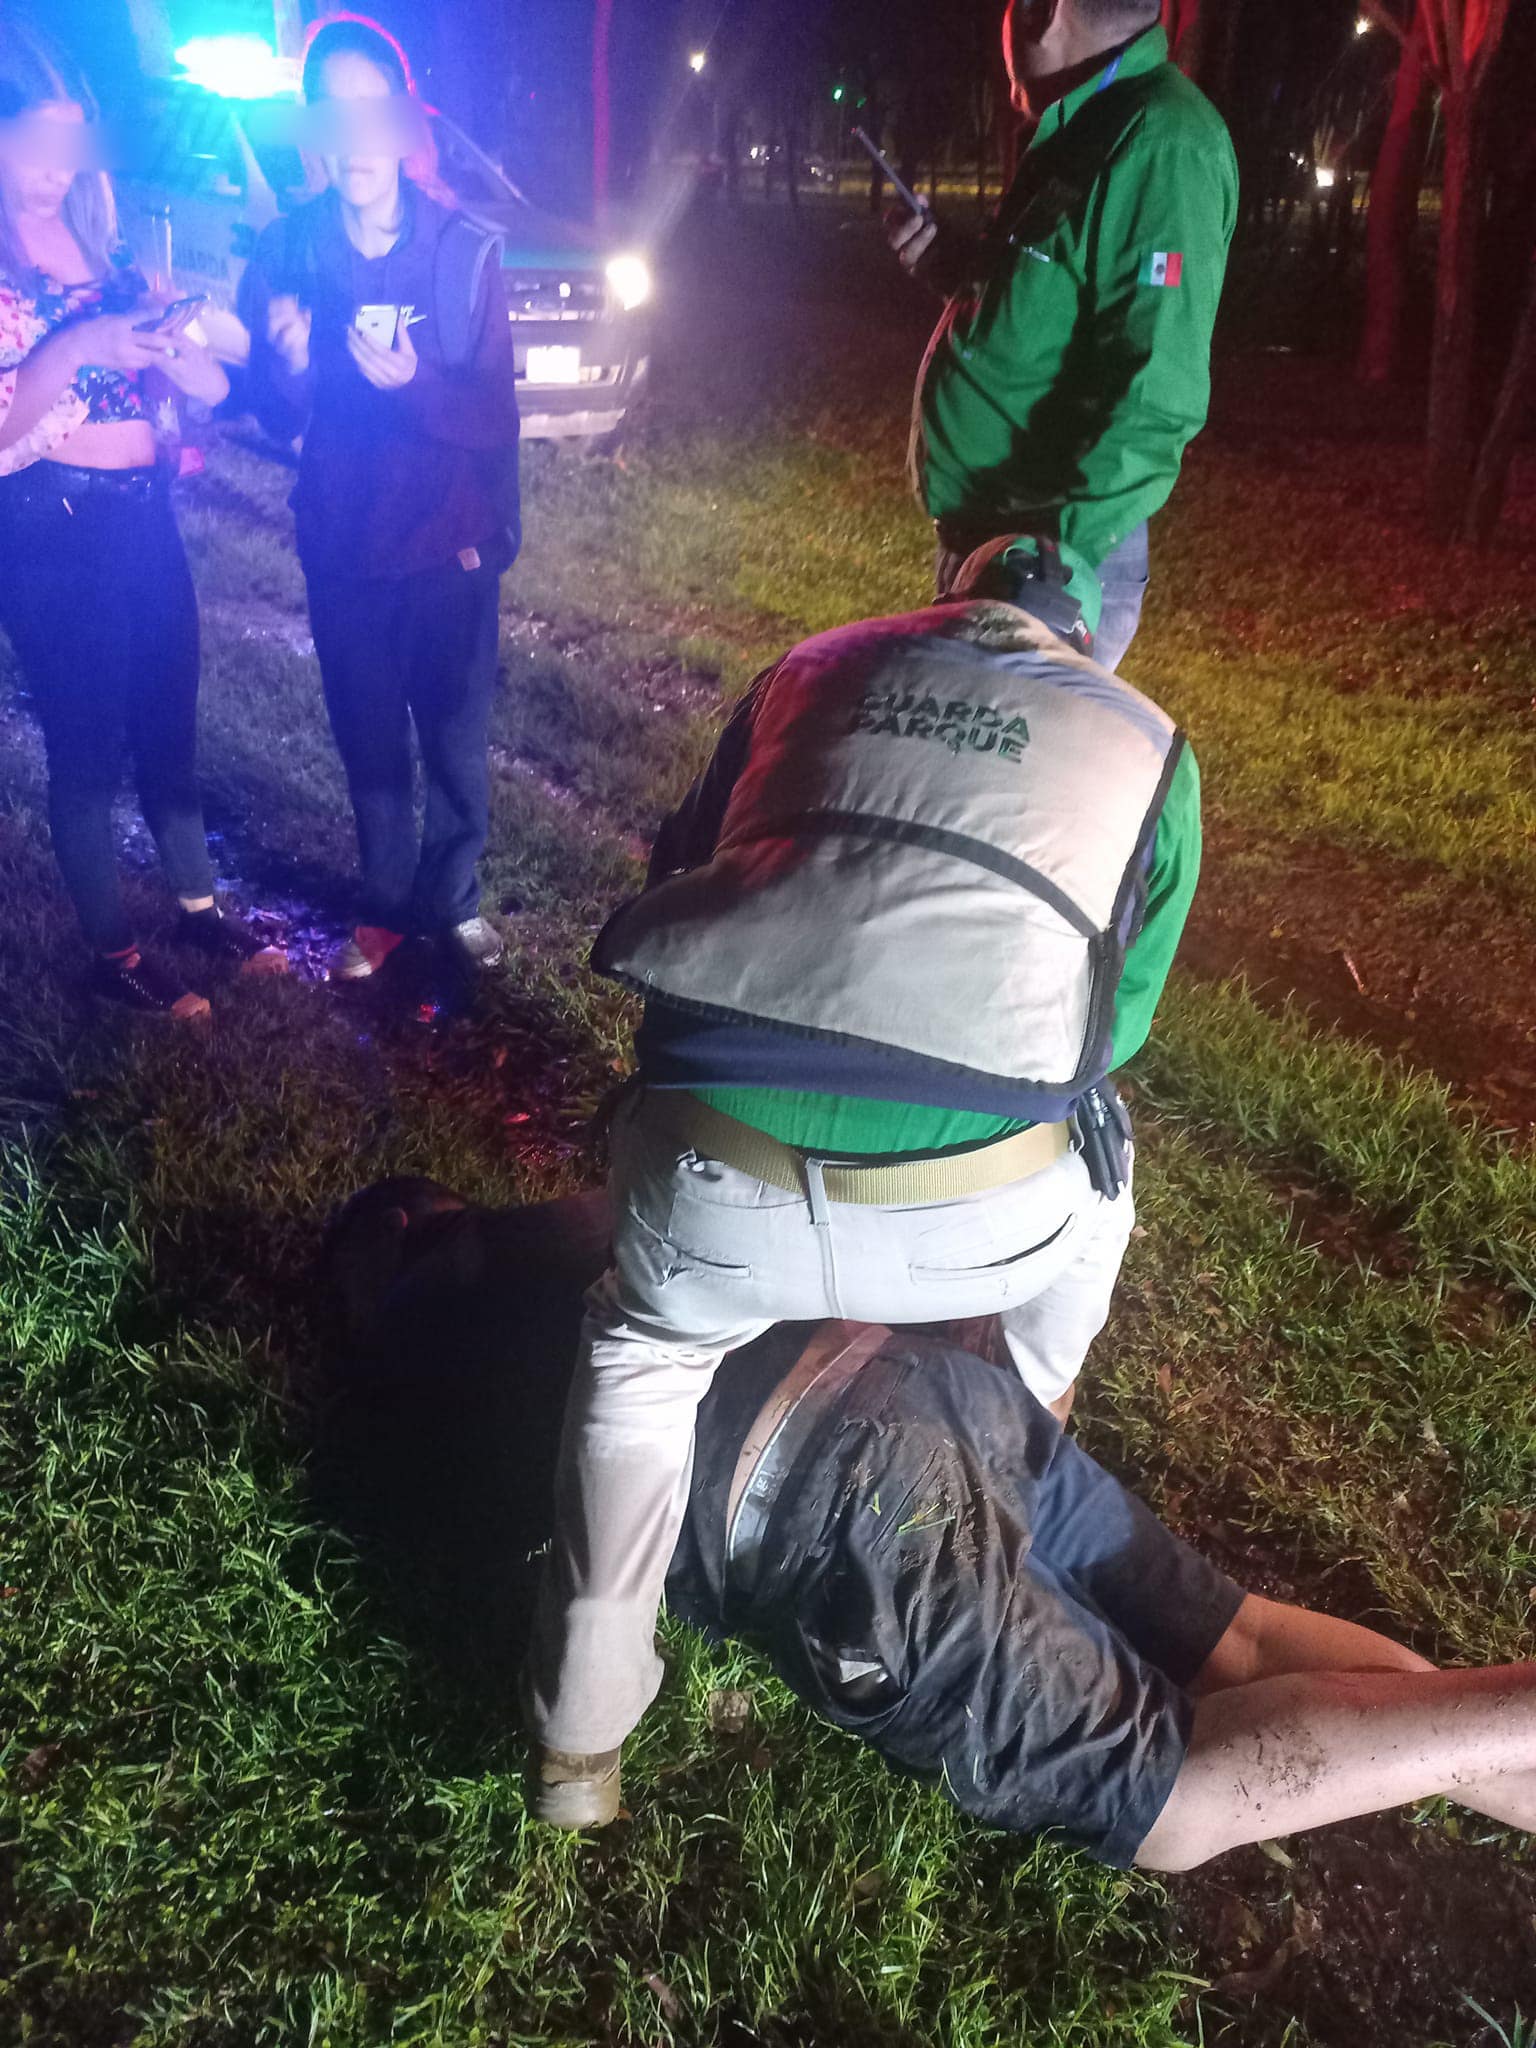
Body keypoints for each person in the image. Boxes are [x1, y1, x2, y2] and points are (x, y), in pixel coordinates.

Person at [525, 533, 1201, 1823]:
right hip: (977, 1223)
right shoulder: (1149, 743)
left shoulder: (811, 665)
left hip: (711, 1184)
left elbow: (678, 868)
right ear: (1085, 637)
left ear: (948, 597)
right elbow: (1115, 1030)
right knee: (1107, 1176)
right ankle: (1009, 1440)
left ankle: (577, 1743)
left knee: (644, 1358)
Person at [320, 1177, 1536, 1870]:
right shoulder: (587, 1221)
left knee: (1172, 1800)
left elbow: (513, 1557)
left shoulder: (433, 1389)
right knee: (1244, 1637)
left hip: (846, 1502)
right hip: (933, 1385)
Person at [0, 17, 285, 1018]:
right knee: (85, 746)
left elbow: (193, 385)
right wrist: (85, 342)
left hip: (142, 515)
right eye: (34, 141)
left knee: (169, 716)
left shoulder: (103, 243)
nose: (55, 166)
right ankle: (112, 955)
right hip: (48, 527)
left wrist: (178, 347)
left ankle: (199, 908)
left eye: (69, 142)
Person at [241, 15, 521, 986]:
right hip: (345, 546)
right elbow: (274, 413)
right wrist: (283, 366)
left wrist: (416, 386)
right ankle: (386, 909)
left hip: (450, 549)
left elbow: (494, 414)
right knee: (369, 744)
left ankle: (455, 900)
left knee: (454, 746)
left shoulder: (463, 253)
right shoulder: (288, 251)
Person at [889, 0, 1238, 672]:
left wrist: (1050, 565)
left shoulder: (1161, 143)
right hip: (999, 548)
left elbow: (1154, 399)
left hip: (1044, 573)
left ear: (1043, 12)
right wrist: (950, 265)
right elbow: (1048, 301)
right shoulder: (1086, 124)